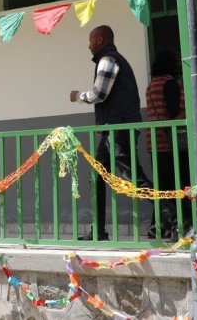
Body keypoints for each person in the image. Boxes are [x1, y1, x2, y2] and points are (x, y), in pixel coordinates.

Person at [70, 25, 163, 240]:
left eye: (91, 41)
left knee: (133, 177)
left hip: (118, 129)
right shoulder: (112, 59)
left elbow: (99, 93)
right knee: (98, 177)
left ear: (100, 40)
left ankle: (178, 218)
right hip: (112, 129)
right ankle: (98, 231)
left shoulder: (108, 60)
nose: (89, 45)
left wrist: (77, 96)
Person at [146, 50, 189, 238]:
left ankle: (157, 226)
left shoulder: (152, 85)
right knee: (181, 184)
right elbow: (174, 114)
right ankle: (187, 222)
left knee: (162, 186)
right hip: (169, 142)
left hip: (153, 142)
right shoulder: (169, 84)